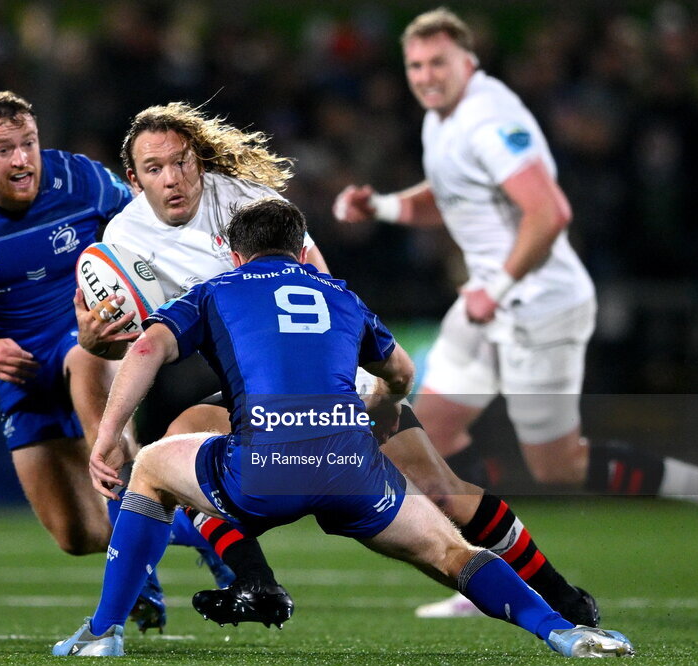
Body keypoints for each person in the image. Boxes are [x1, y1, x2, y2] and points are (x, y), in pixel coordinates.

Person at [80, 102, 600, 628]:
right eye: (155, 168)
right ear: (134, 178)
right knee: (179, 441)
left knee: (443, 492)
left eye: (182, 162)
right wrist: (97, 342)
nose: (172, 178)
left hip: (325, 380)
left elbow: (321, 289)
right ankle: (253, 579)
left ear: (200, 160)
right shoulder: (123, 241)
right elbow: (130, 344)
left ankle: (562, 596)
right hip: (258, 390)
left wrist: (367, 391)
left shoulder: (246, 203)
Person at [332, 8, 698, 617]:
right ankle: (487, 574)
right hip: (487, 302)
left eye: (438, 64)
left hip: (538, 301)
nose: (426, 75)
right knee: (426, 439)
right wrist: (382, 207)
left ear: (469, 63)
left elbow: (550, 211)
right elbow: (449, 195)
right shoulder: (443, 119)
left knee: (556, 463)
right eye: (416, 65)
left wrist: (497, 284)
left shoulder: (488, 119)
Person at [0, 91, 254, 632]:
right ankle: (199, 529)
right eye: (5, 149)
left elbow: (150, 224)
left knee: (96, 407)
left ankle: (140, 582)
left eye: (29, 144)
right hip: (17, 368)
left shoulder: (80, 180)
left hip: (90, 336)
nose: (22, 159)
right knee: (77, 535)